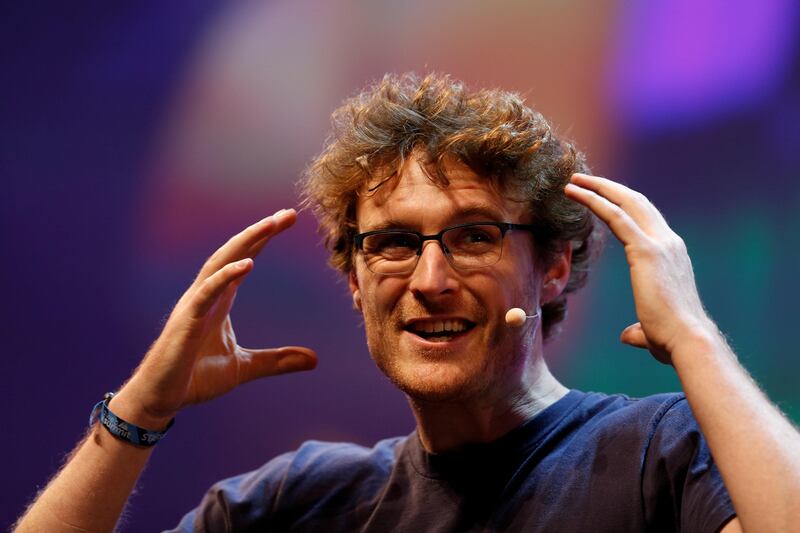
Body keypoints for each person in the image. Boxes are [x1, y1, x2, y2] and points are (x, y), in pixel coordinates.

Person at [15, 74, 800, 532]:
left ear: (554, 266)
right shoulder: (306, 498)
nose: (429, 279)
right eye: (393, 243)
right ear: (355, 282)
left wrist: (693, 335)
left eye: (472, 236)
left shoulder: (658, 453)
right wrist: (142, 407)